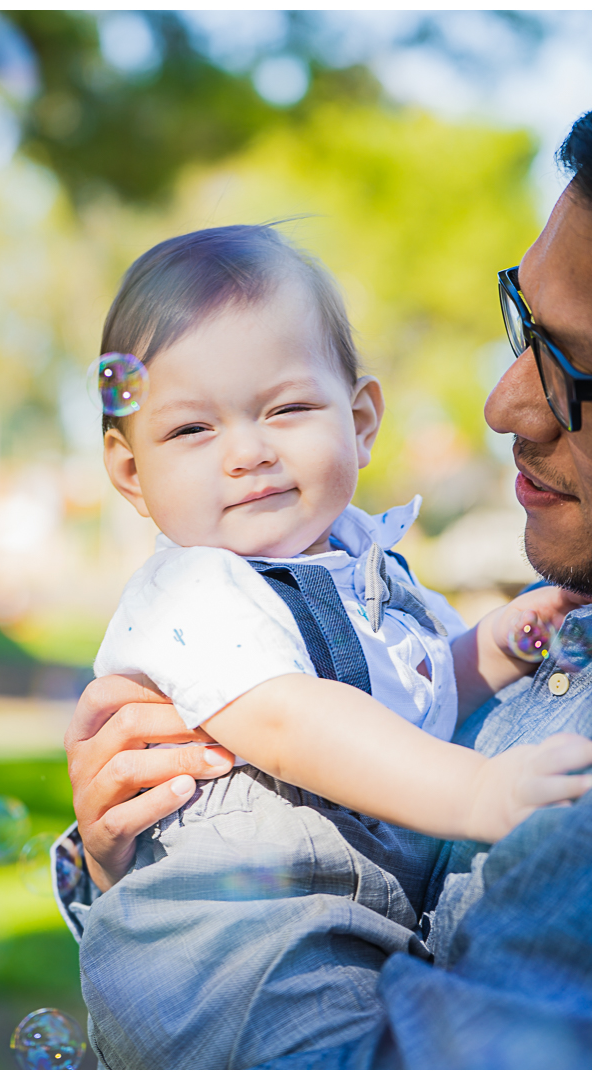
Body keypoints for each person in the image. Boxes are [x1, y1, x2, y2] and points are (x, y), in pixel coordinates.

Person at [59, 112, 592, 1069]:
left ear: (362, 420)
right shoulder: (195, 589)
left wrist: (485, 652)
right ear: (129, 476)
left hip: (337, 931)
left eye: (287, 408)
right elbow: (294, 722)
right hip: (230, 955)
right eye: (190, 432)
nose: (249, 452)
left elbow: (417, 689)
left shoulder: (363, 568)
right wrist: (481, 789)